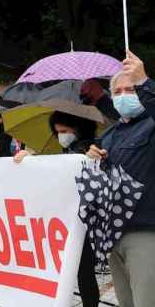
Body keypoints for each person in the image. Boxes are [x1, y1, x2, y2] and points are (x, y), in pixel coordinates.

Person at [86, 50, 155, 307]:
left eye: (131, 89)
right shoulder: (111, 133)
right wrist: (93, 156)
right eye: (118, 92)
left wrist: (144, 82)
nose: (124, 96)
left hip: (146, 233)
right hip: (113, 235)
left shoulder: (151, 123)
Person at [13, 111, 99, 307]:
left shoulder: (90, 148)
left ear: (78, 128)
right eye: (57, 131)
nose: (61, 135)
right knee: (80, 272)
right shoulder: (69, 149)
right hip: (69, 219)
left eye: (65, 131)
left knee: (84, 272)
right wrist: (30, 157)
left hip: (85, 222)